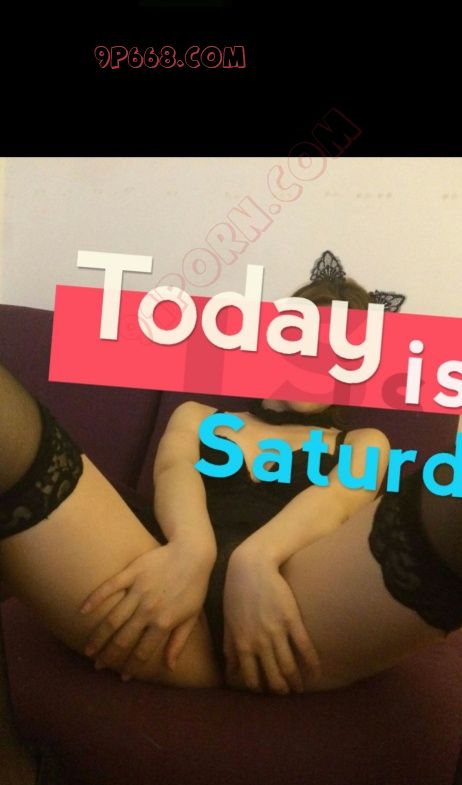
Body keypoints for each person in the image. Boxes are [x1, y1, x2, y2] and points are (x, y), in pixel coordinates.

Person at [1, 249, 462, 714]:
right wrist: (193, 549)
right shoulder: (198, 416)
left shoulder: (364, 442)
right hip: (167, 586)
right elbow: (174, 472)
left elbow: (338, 501)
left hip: (295, 612)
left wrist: (255, 560)